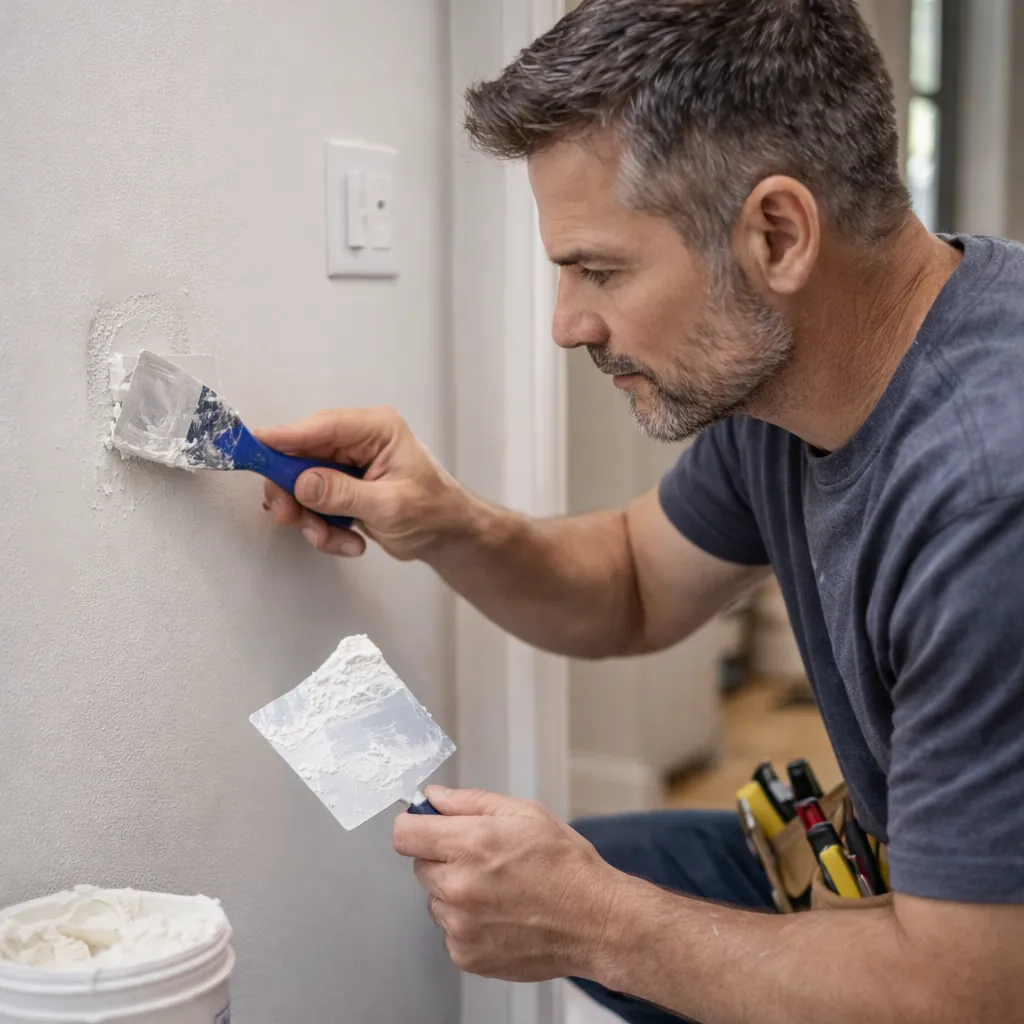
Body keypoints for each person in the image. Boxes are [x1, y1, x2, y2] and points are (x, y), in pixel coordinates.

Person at [259, 1, 1024, 1020]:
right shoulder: (790, 381)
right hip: (912, 886)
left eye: (600, 269)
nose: (567, 323)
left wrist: (600, 924)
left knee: (598, 908)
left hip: (975, 974)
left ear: (777, 235)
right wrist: (445, 522)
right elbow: (632, 582)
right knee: (592, 875)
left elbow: (968, 997)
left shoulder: (988, 500)